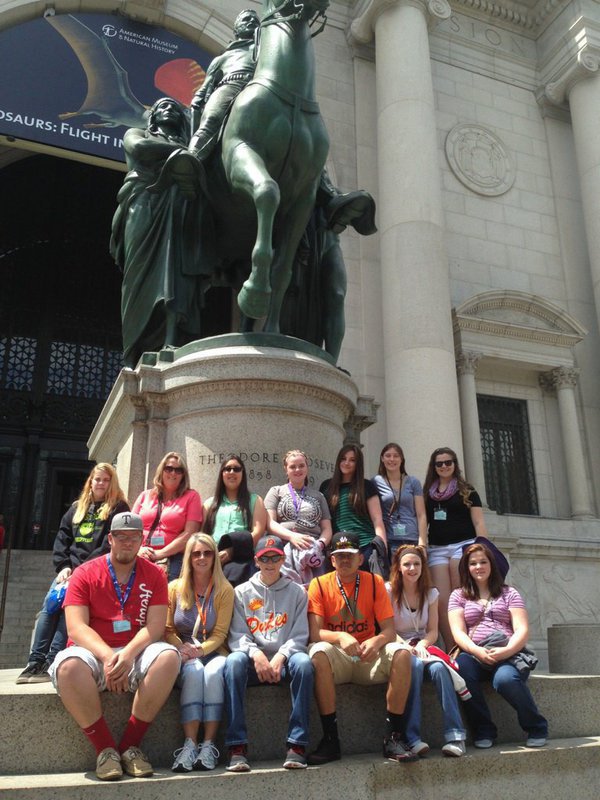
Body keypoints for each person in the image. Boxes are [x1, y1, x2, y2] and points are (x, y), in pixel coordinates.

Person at [49, 512, 181, 780]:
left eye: (133, 537)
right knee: (68, 667)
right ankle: (106, 750)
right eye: (121, 536)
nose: (127, 542)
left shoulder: (155, 574)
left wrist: (128, 655)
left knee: (169, 656)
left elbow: (156, 626)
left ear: (141, 540)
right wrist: (109, 657)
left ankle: (130, 747)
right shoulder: (85, 572)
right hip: (93, 652)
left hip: (135, 651)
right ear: (110, 538)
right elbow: (76, 627)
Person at [110, 96, 207, 368]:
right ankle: (133, 349)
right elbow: (140, 148)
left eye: (175, 108)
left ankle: (172, 339)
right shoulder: (137, 133)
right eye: (163, 106)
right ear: (152, 116)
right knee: (139, 274)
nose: (169, 110)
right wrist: (184, 153)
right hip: (143, 203)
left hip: (178, 208)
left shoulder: (189, 147)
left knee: (175, 271)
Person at [307, 531, 417, 765]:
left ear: (360, 558)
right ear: (332, 560)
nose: (345, 560)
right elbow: (315, 633)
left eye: (350, 555)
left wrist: (376, 642)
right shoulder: (319, 584)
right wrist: (340, 636)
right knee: (317, 652)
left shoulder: (375, 582)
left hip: (368, 655)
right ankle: (330, 739)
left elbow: (389, 630)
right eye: (340, 556)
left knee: (402, 653)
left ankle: (394, 737)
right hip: (338, 656)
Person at [16, 463, 129, 684]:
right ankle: (34, 661)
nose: (101, 483)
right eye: (97, 479)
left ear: (112, 483)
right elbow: (63, 537)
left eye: (106, 480)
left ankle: (51, 661)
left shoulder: (118, 508)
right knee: (49, 608)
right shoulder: (78, 507)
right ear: (91, 481)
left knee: (68, 613)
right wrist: (63, 566)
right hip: (68, 571)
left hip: (93, 572)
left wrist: (81, 570)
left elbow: (109, 544)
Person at [223, 534, 313, 771]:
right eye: (265, 558)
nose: (270, 563)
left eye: (275, 558)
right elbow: (238, 635)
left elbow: (300, 635)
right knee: (232, 662)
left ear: (283, 560)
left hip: (285, 660)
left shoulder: (297, 592)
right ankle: (236, 746)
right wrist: (257, 655)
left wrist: (281, 656)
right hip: (254, 662)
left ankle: (297, 745)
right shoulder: (241, 592)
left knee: (304, 664)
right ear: (256, 561)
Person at [448, 542, 548, 748]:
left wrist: (507, 651)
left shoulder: (509, 593)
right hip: (474, 653)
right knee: (462, 670)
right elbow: (458, 632)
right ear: (466, 567)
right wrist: (477, 651)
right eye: (473, 563)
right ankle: (483, 730)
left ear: (491, 564)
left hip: (507, 653)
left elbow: (521, 629)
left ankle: (536, 727)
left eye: (483, 562)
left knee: (506, 680)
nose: (478, 567)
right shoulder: (458, 595)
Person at [388, 545, 467, 757]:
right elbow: (387, 629)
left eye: (417, 564)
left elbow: (432, 630)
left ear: (423, 567)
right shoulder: (389, 591)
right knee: (413, 665)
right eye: (407, 564)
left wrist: (422, 645)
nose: (412, 568)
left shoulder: (431, 594)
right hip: (398, 645)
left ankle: (456, 736)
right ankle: (412, 737)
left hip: (423, 644)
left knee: (440, 669)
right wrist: (406, 647)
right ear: (398, 567)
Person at [166, 533, 234, 772]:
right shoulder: (174, 588)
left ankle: (208, 744)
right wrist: (181, 648)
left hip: (214, 651)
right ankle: (190, 743)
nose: (202, 558)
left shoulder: (224, 590)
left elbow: (221, 633)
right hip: (183, 651)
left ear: (215, 557)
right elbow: (167, 629)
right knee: (194, 672)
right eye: (196, 553)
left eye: (207, 553)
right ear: (188, 558)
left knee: (213, 673)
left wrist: (199, 650)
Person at [423, 447, 487, 650]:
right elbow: (423, 522)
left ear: (455, 464)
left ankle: (469, 644)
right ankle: (452, 649)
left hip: (464, 545)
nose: (444, 466)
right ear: (434, 467)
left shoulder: (468, 490)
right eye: (439, 463)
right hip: (437, 549)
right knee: (442, 601)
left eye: (448, 462)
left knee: (461, 596)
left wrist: (483, 548)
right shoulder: (428, 493)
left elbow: (478, 522)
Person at [189, 9, 260, 159]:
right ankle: (191, 158)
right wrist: (197, 102)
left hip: (260, 87)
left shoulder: (264, 49)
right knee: (211, 119)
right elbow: (204, 90)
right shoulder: (222, 58)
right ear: (236, 30)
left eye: (255, 20)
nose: (252, 21)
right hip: (230, 86)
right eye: (246, 19)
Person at [265, 449, 332, 584]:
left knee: (315, 589)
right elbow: (270, 523)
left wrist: (319, 545)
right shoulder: (276, 491)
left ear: (307, 467)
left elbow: (327, 528)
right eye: (292, 466)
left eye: (301, 465)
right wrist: (292, 537)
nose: (297, 470)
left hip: (313, 549)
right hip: (284, 547)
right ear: (286, 469)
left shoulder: (319, 496)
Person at [133, 451, 202, 582]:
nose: (173, 473)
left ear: (183, 475)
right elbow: (130, 527)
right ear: (161, 470)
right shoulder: (145, 495)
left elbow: (190, 533)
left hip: (172, 557)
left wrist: (160, 554)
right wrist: (138, 549)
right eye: (169, 468)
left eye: (178, 470)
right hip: (140, 552)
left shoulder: (191, 497)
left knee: (166, 591)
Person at [320, 444, 387, 572]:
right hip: (338, 548)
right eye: (343, 459)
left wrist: (382, 550)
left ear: (358, 464)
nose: (347, 463)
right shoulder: (326, 486)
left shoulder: (367, 486)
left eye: (352, 460)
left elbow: (377, 520)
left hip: (365, 547)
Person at [203, 454, 266, 586]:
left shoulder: (255, 500)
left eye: (236, 469)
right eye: (227, 469)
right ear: (222, 473)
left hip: (241, 559)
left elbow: (258, 532)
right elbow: (202, 535)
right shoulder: (209, 504)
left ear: (243, 473)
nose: (232, 472)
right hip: (212, 558)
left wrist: (232, 551)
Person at [372, 442, 427, 559]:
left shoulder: (413, 482)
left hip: (412, 539)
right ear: (382, 459)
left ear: (402, 459)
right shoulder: (376, 482)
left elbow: (421, 514)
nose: (392, 459)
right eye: (388, 456)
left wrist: (422, 543)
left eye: (396, 456)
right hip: (390, 540)